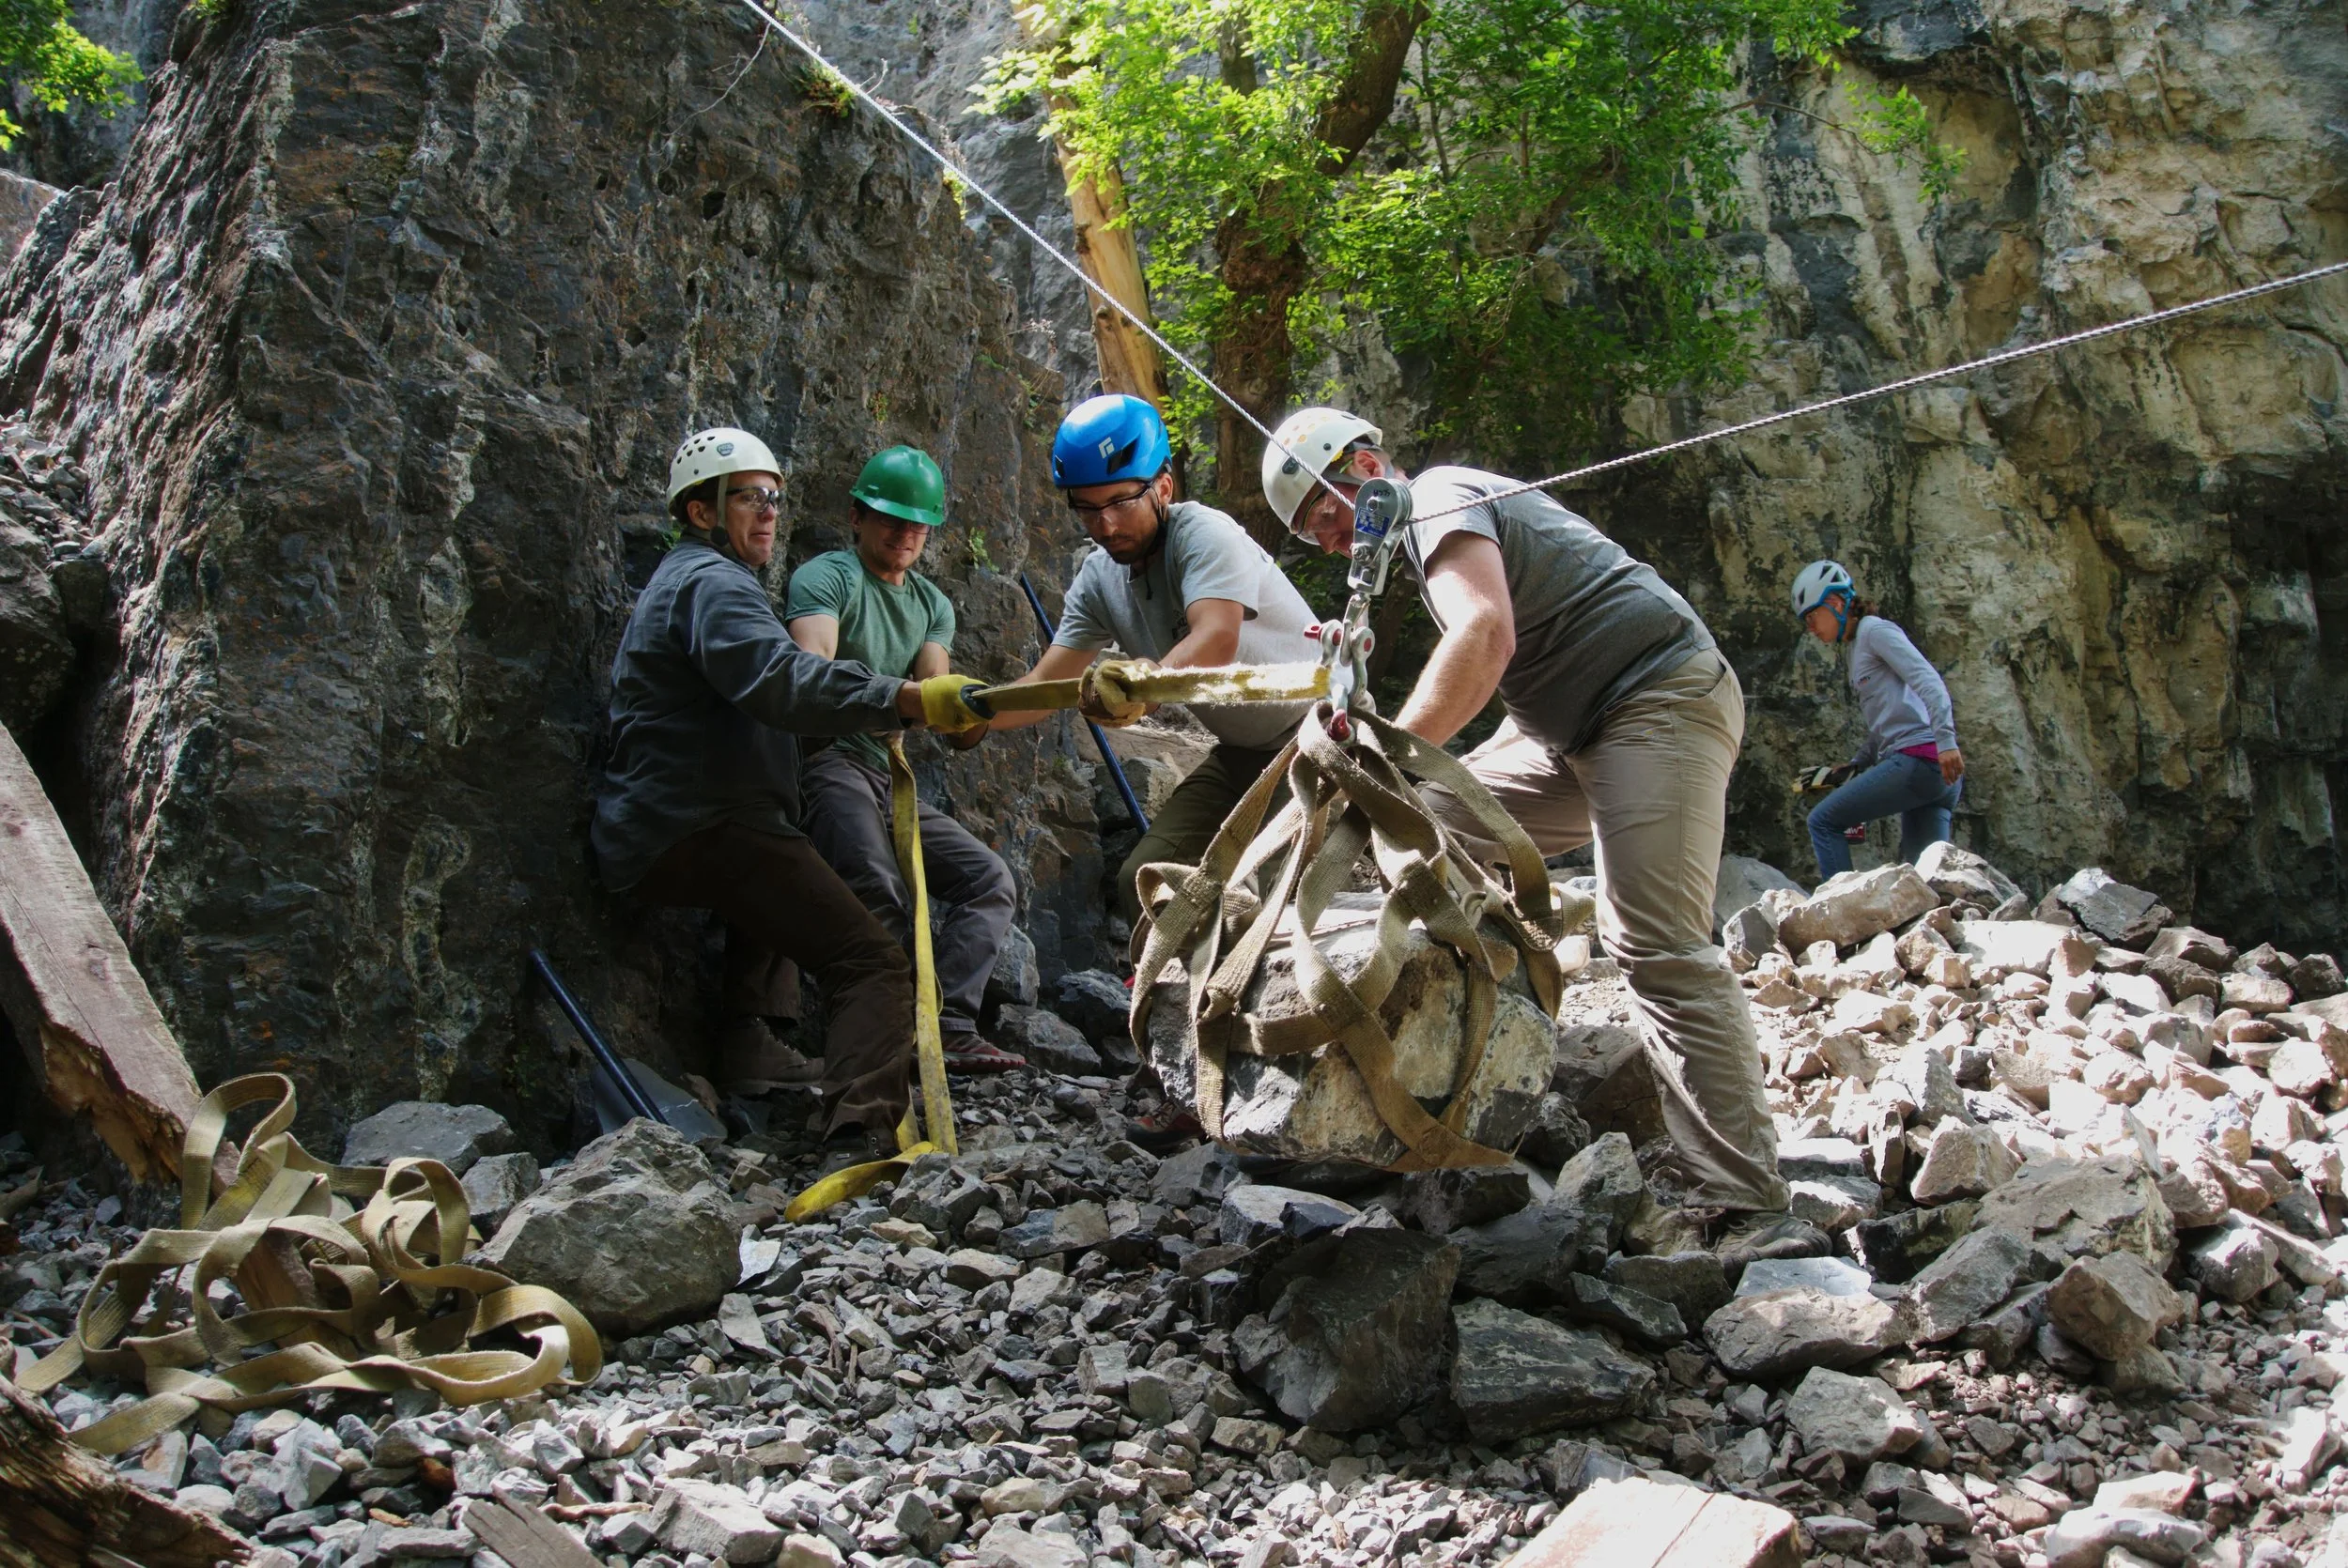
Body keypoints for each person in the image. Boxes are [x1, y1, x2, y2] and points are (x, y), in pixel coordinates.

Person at [1263, 406, 1814, 1266]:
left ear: (1365, 468)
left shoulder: (1439, 497)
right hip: (1566, 733)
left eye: (1326, 515)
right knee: (1413, 820)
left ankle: (1747, 1198)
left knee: (1655, 944)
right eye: (1310, 535)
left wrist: (1385, 755)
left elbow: (1485, 638)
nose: (1330, 541)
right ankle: (1480, 1051)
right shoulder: (1421, 542)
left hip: (1656, 695)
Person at [592, 426, 989, 1152]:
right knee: (872, 961)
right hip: (705, 821)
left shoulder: (695, 582)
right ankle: (860, 1135)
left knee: (789, 869)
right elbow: (786, 682)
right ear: (702, 512)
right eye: (751, 498)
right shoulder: (713, 584)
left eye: (776, 498)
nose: (770, 513)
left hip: (676, 822)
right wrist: (904, 698)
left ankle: (750, 1047)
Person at [981, 394, 1321, 925]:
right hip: (1244, 753)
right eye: (1088, 508)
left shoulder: (1204, 533)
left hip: (1320, 735)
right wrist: (970, 714)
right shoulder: (1099, 579)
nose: (1106, 525)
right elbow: (1046, 683)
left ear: (1163, 487)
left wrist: (1141, 688)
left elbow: (1216, 638)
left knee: (1272, 895)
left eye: (1120, 502)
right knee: (1144, 884)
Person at [784, 445, 1025, 1074]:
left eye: (919, 525)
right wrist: (913, 700)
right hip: (827, 762)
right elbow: (811, 676)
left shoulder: (930, 605)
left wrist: (969, 714)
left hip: (886, 772)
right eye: (892, 520)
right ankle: (885, 1043)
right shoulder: (827, 578)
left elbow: (934, 692)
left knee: (989, 880)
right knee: (879, 888)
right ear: (857, 517)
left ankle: (948, 1027)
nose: (906, 534)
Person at [1788, 560, 1965, 880]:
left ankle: (1842, 907)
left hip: (1921, 761)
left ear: (1835, 603)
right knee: (1927, 878)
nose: (1810, 629)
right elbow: (1890, 718)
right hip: (1935, 774)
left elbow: (1930, 682)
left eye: (1812, 617)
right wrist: (1858, 763)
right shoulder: (1856, 646)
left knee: (1823, 822)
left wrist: (1947, 741)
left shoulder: (1875, 631)